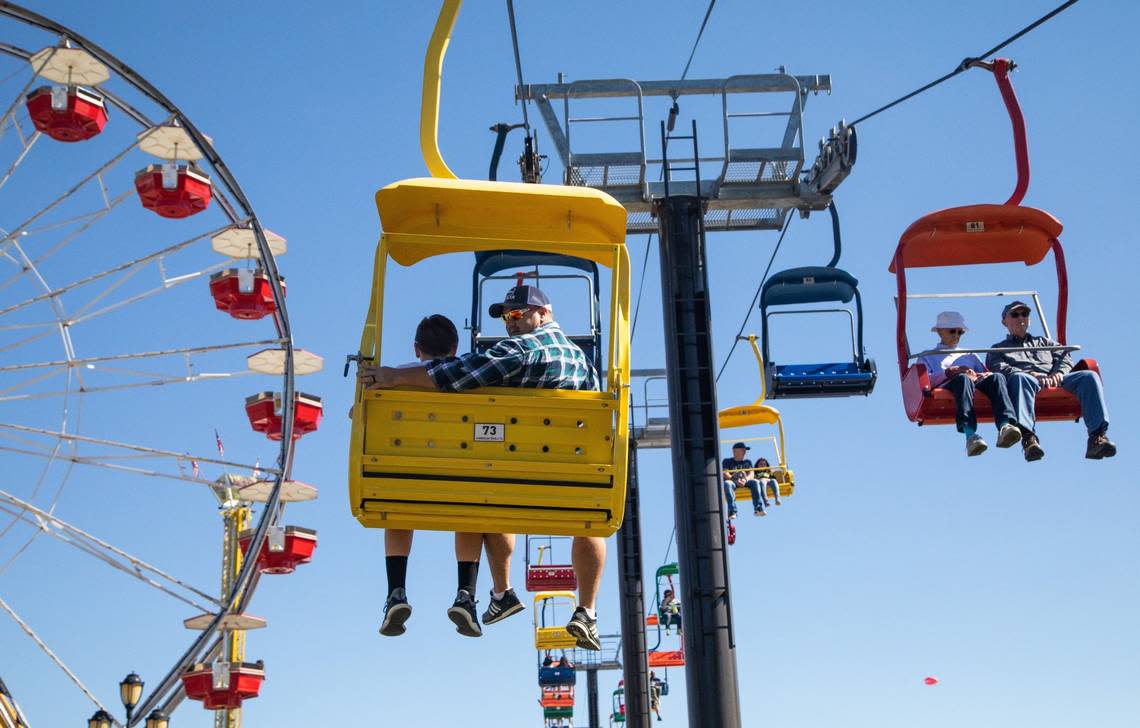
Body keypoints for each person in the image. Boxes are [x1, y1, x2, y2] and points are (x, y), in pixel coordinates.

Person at [361, 285, 607, 650]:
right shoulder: (584, 365)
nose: (511, 322)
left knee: (485, 500)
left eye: (518, 314)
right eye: (507, 317)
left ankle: (497, 590)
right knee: (588, 513)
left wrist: (396, 378)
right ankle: (586, 609)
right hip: (570, 483)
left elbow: (457, 376)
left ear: (545, 314)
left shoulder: (520, 349)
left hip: (512, 480)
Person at [375, 315, 526, 638]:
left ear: (417, 349)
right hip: (462, 478)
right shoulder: (471, 376)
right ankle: (465, 594)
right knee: (468, 506)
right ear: (456, 348)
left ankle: (396, 591)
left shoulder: (397, 377)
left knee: (397, 505)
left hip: (409, 479)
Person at [985, 301, 1116, 461]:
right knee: (1019, 378)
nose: (1021, 318)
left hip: (1056, 380)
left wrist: (1059, 373)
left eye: (1025, 314)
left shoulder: (1045, 342)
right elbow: (1000, 368)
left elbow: (1064, 357)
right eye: (1015, 314)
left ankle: (1097, 437)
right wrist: (1031, 374)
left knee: (1089, 377)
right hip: (1028, 381)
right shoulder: (998, 349)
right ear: (1004, 321)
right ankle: (1029, 438)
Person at [918, 311, 1021, 457]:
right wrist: (948, 373)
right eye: (952, 331)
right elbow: (924, 381)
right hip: (949, 385)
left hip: (973, 383)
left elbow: (986, 373)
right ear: (940, 331)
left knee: (997, 377)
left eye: (960, 332)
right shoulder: (928, 356)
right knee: (962, 379)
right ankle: (970, 434)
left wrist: (979, 375)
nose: (956, 335)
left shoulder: (970, 355)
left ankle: (1005, 424)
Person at [721, 442, 766, 518]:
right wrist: (735, 480)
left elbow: (751, 473)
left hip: (744, 481)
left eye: (745, 450)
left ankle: (758, 508)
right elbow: (725, 473)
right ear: (735, 451)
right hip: (733, 481)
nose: (745, 452)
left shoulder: (747, 462)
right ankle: (732, 511)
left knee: (755, 482)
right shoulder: (726, 461)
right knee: (727, 483)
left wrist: (745, 480)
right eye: (743, 450)